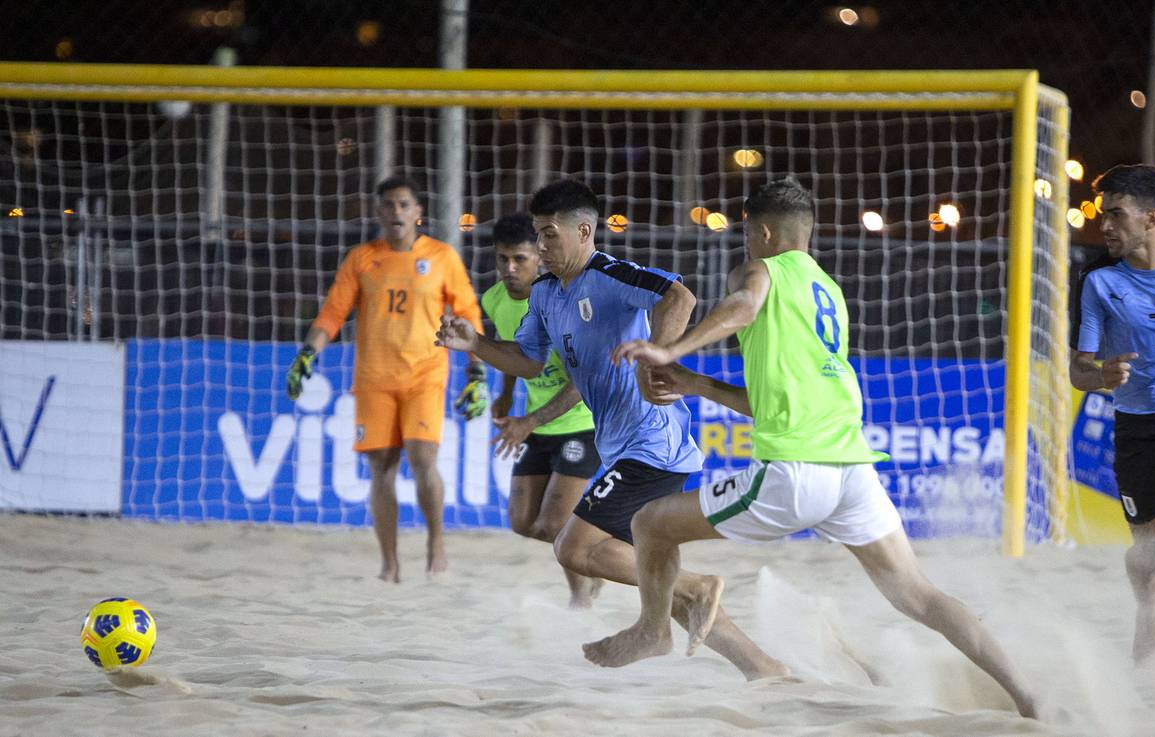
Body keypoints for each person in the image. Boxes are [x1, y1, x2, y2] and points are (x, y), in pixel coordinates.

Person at [584, 178, 1037, 718]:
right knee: (919, 595)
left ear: (765, 231)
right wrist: (696, 382)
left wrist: (668, 349)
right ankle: (1028, 698)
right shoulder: (829, 292)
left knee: (650, 523)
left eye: (748, 233)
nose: (746, 243)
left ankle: (652, 631)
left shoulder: (759, 271)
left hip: (795, 474)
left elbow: (743, 307)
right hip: (852, 470)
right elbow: (773, 400)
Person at [437, 179, 787, 680]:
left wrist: (658, 355)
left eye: (549, 235)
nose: (540, 247)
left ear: (584, 230)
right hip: (621, 446)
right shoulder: (544, 293)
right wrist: (475, 343)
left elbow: (680, 298)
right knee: (647, 567)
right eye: (537, 235)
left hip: (652, 443)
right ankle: (762, 666)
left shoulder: (609, 274)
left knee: (573, 547)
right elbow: (529, 363)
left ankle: (693, 590)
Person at [286, 175, 487, 582]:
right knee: (382, 470)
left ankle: (436, 544)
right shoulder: (362, 259)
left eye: (403, 204)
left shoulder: (443, 257)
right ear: (378, 212)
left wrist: (477, 371)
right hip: (375, 378)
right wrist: (308, 352)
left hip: (425, 375)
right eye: (389, 205)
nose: (396, 212)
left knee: (423, 458)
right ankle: (390, 563)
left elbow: (468, 314)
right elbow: (332, 314)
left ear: (418, 212)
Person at [1069, 163, 1155, 663]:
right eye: (1104, 215)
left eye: (1115, 215)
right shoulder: (1098, 280)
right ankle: (1147, 610)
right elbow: (1078, 372)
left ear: (1151, 218)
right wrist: (1100, 375)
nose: (1103, 225)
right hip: (1139, 430)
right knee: (1152, 552)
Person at [481, 213, 604, 608]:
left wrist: (528, 421)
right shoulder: (494, 299)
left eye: (520, 258)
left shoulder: (562, 299)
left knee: (553, 524)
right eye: (502, 259)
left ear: (540, 256)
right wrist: (505, 392)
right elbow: (514, 352)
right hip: (536, 422)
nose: (510, 268)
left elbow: (584, 380)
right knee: (523, 523)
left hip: (582, 423)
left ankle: (582, 593)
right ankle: (597, 548)